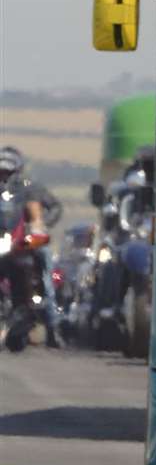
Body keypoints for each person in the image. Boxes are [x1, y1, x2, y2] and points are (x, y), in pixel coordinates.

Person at [0, 145, 63, 347]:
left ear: (17, 171)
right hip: (3, 240)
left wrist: (41, 225)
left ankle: (53, 327)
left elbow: (54, 207)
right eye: (1, 171)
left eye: (8, 171)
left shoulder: (30, 188)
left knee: (45, 263)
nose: (4, 175)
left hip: (24, 240)